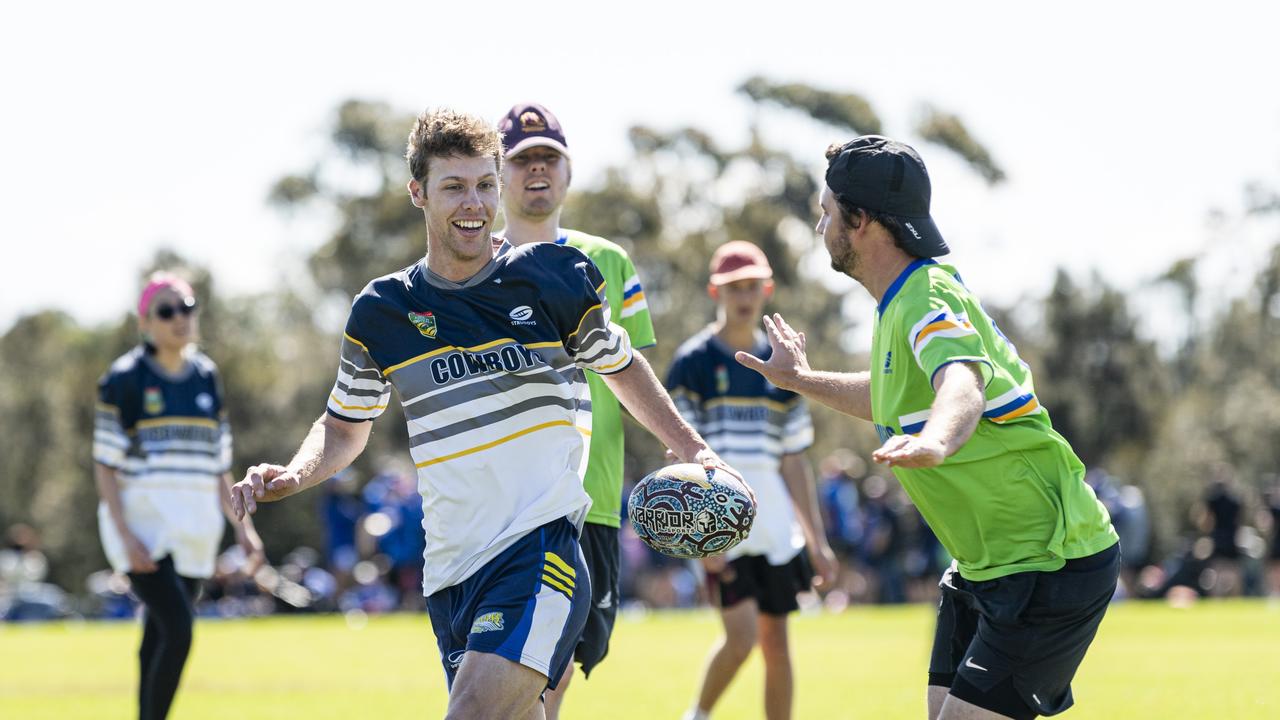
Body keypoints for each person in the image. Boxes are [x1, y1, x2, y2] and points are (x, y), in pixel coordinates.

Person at [228, 107, 741, 720]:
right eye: (453, 187)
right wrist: (296, 472)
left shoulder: (550, 279)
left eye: (484, 185)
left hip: (540, 551)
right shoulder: (382, 312)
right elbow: (343, 426)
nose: (473, 204)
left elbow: (622, 365)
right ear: (418, 193)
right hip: (449, 574)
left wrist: (696, 450)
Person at [736, 136, 1120, 720]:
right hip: (984, 568)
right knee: (941, 709)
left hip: (1051, 562)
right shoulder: (898, 303)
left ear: (859, 221)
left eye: (826, 213)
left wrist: (938, 439)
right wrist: (801, 380)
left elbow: (961, 381)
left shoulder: (925, 294)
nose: (820, 227)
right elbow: (889, 396)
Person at [493, 101, 658, 719]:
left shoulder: (608, 260)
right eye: (523, 159)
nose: (537, 170)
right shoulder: (474, 261)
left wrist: (681, 444)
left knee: (553, 672)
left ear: (567, 171)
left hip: (596, 495)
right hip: (505, 497)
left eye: (549, 158)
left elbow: (636, 374)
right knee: (515, 667)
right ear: (499, 174)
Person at [668, 240, 837, 720]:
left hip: (774, 528)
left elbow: (793, 460)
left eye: (751, 286)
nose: (743, 296)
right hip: (720, 525)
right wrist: (703, 534)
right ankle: (697, 714)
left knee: (777, 644)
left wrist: (816, 539)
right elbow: (680, 454)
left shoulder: (783, 366)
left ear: (767, 289)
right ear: (714, 291)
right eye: (733, 287)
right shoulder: (693, 361)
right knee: (741, 638)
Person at [93, 272, 265, 720]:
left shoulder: (207, 377)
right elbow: (105, 465)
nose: (179, 318)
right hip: (141, 530)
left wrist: (243, 528)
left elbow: (219, 465)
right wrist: (125, 535)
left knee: (158, 632)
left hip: (194, 530)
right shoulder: (124, 379)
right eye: (166, 311)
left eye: (186, 306)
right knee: (180, 628)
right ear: (145, 323)